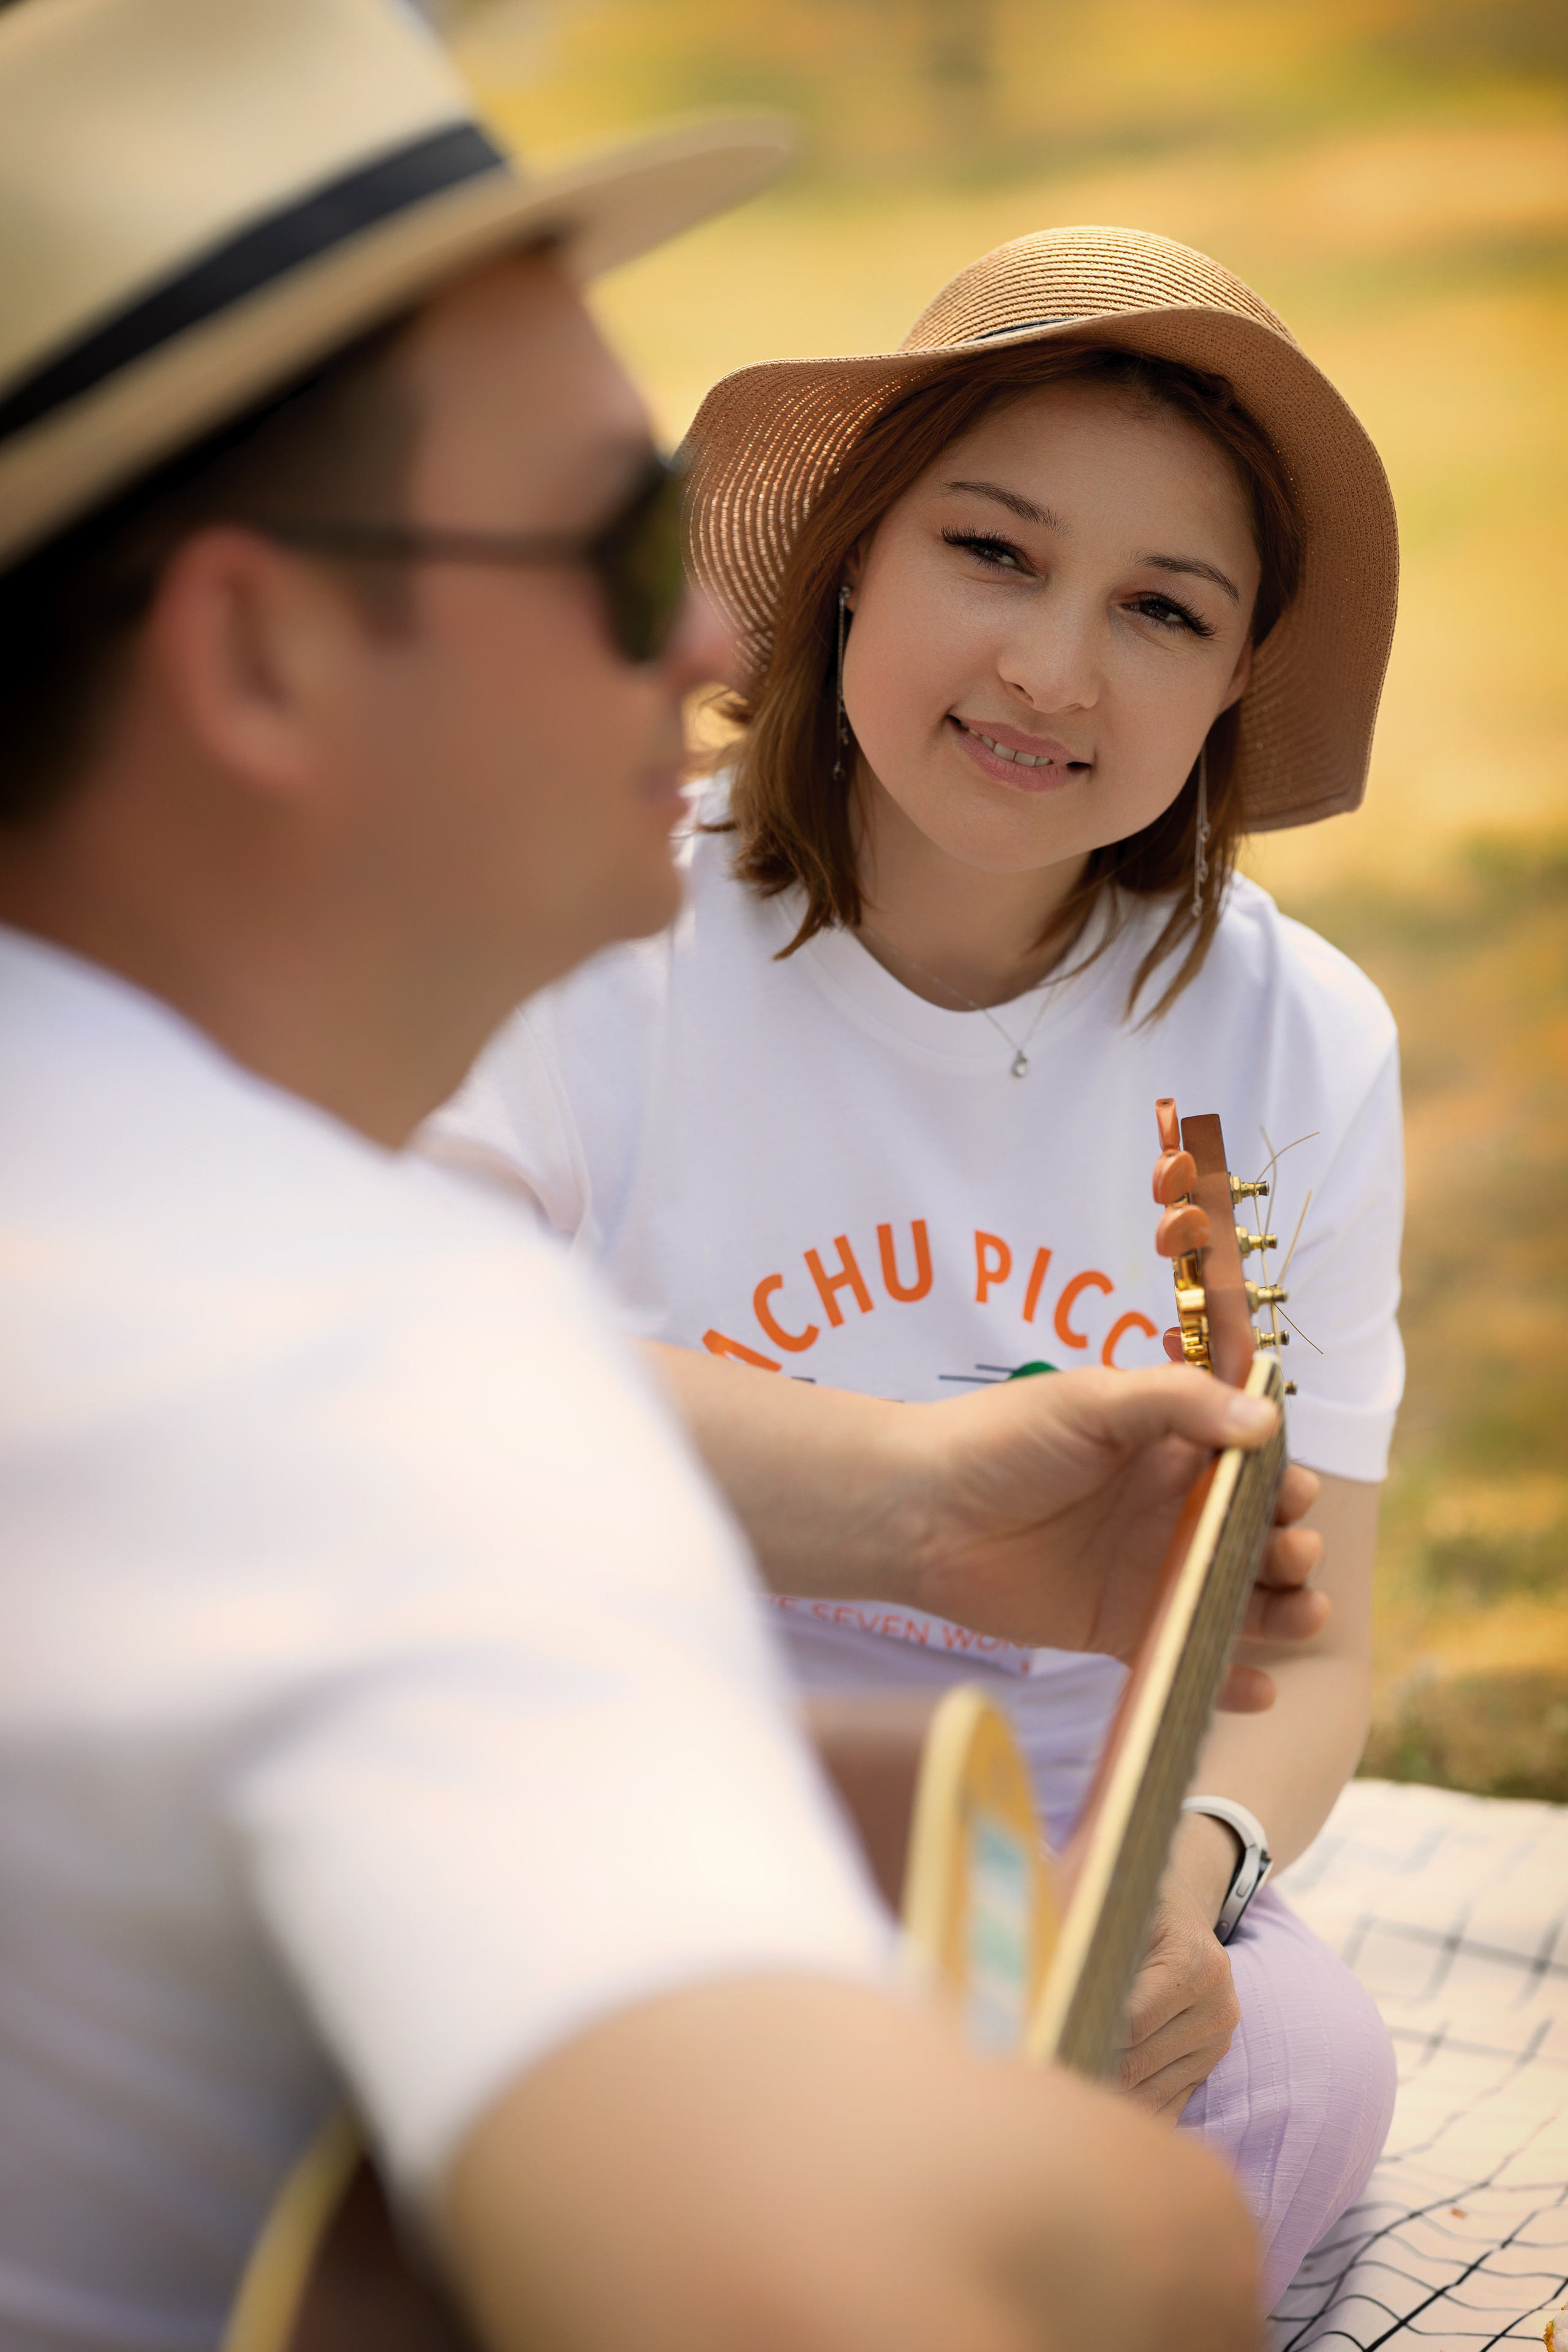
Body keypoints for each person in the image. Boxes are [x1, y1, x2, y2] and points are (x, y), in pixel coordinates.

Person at [0, 6, 1313, 2348]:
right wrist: (1145, 2253)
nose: (715, 630)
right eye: (610, 544)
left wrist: (909, 1508)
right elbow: (812, 2291)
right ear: (260, 649)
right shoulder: (355, 1372)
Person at [432, 225, 1404, 2310]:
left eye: (1166, 607)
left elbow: (1311, 1642)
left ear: (1239, 679)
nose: (1057, 668)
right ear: (856, 559)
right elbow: (400, 1391)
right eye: (995, 551)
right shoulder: (585, 919)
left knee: (1299, 2066)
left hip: (1052, 1862)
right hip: (630, 1795)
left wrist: (1184, 1879)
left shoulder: (1298, 1036)